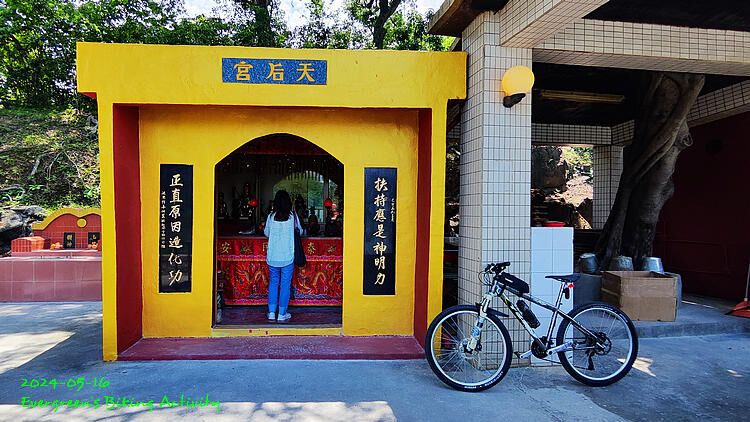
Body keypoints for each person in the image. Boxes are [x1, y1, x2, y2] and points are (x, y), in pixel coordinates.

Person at [263, 190, 302, 322]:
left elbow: (266, 233)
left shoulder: (271, 216)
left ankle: (271, 313)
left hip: (273, 256)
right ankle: (282, 314)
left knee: (273, 283)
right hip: (287, 257)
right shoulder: (292, 217)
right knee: (285, 285)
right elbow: (300, 231)